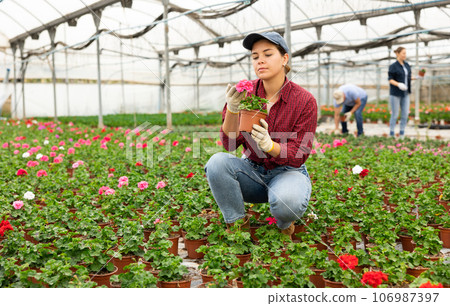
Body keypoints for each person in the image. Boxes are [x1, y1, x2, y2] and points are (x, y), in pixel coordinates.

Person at [204, 32, 317, 238]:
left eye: (267, 54)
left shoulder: (304, 101)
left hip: (288, 172)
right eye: (255, 57)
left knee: (288, 203)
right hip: (251, 171)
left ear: (284, 59)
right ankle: (238, 228)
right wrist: (232, 109)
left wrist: (269, 145)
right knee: (217, 163)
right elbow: (229, 144)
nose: (260, 61)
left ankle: (284, 225)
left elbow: (300, 153)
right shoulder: (244, 94)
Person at [388, 46, 412, 138]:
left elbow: (408, 78)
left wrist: (417, 78)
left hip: (405, 93)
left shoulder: (407, 65)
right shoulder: (393, 66)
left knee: (405, 113)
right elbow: (390, 79)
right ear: (398, 54)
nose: (405, 55)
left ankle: (402, 133)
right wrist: (398, 84)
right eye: (403, 53)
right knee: (395, 114)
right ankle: (392, 133)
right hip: (395, 93)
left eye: (405, 53)